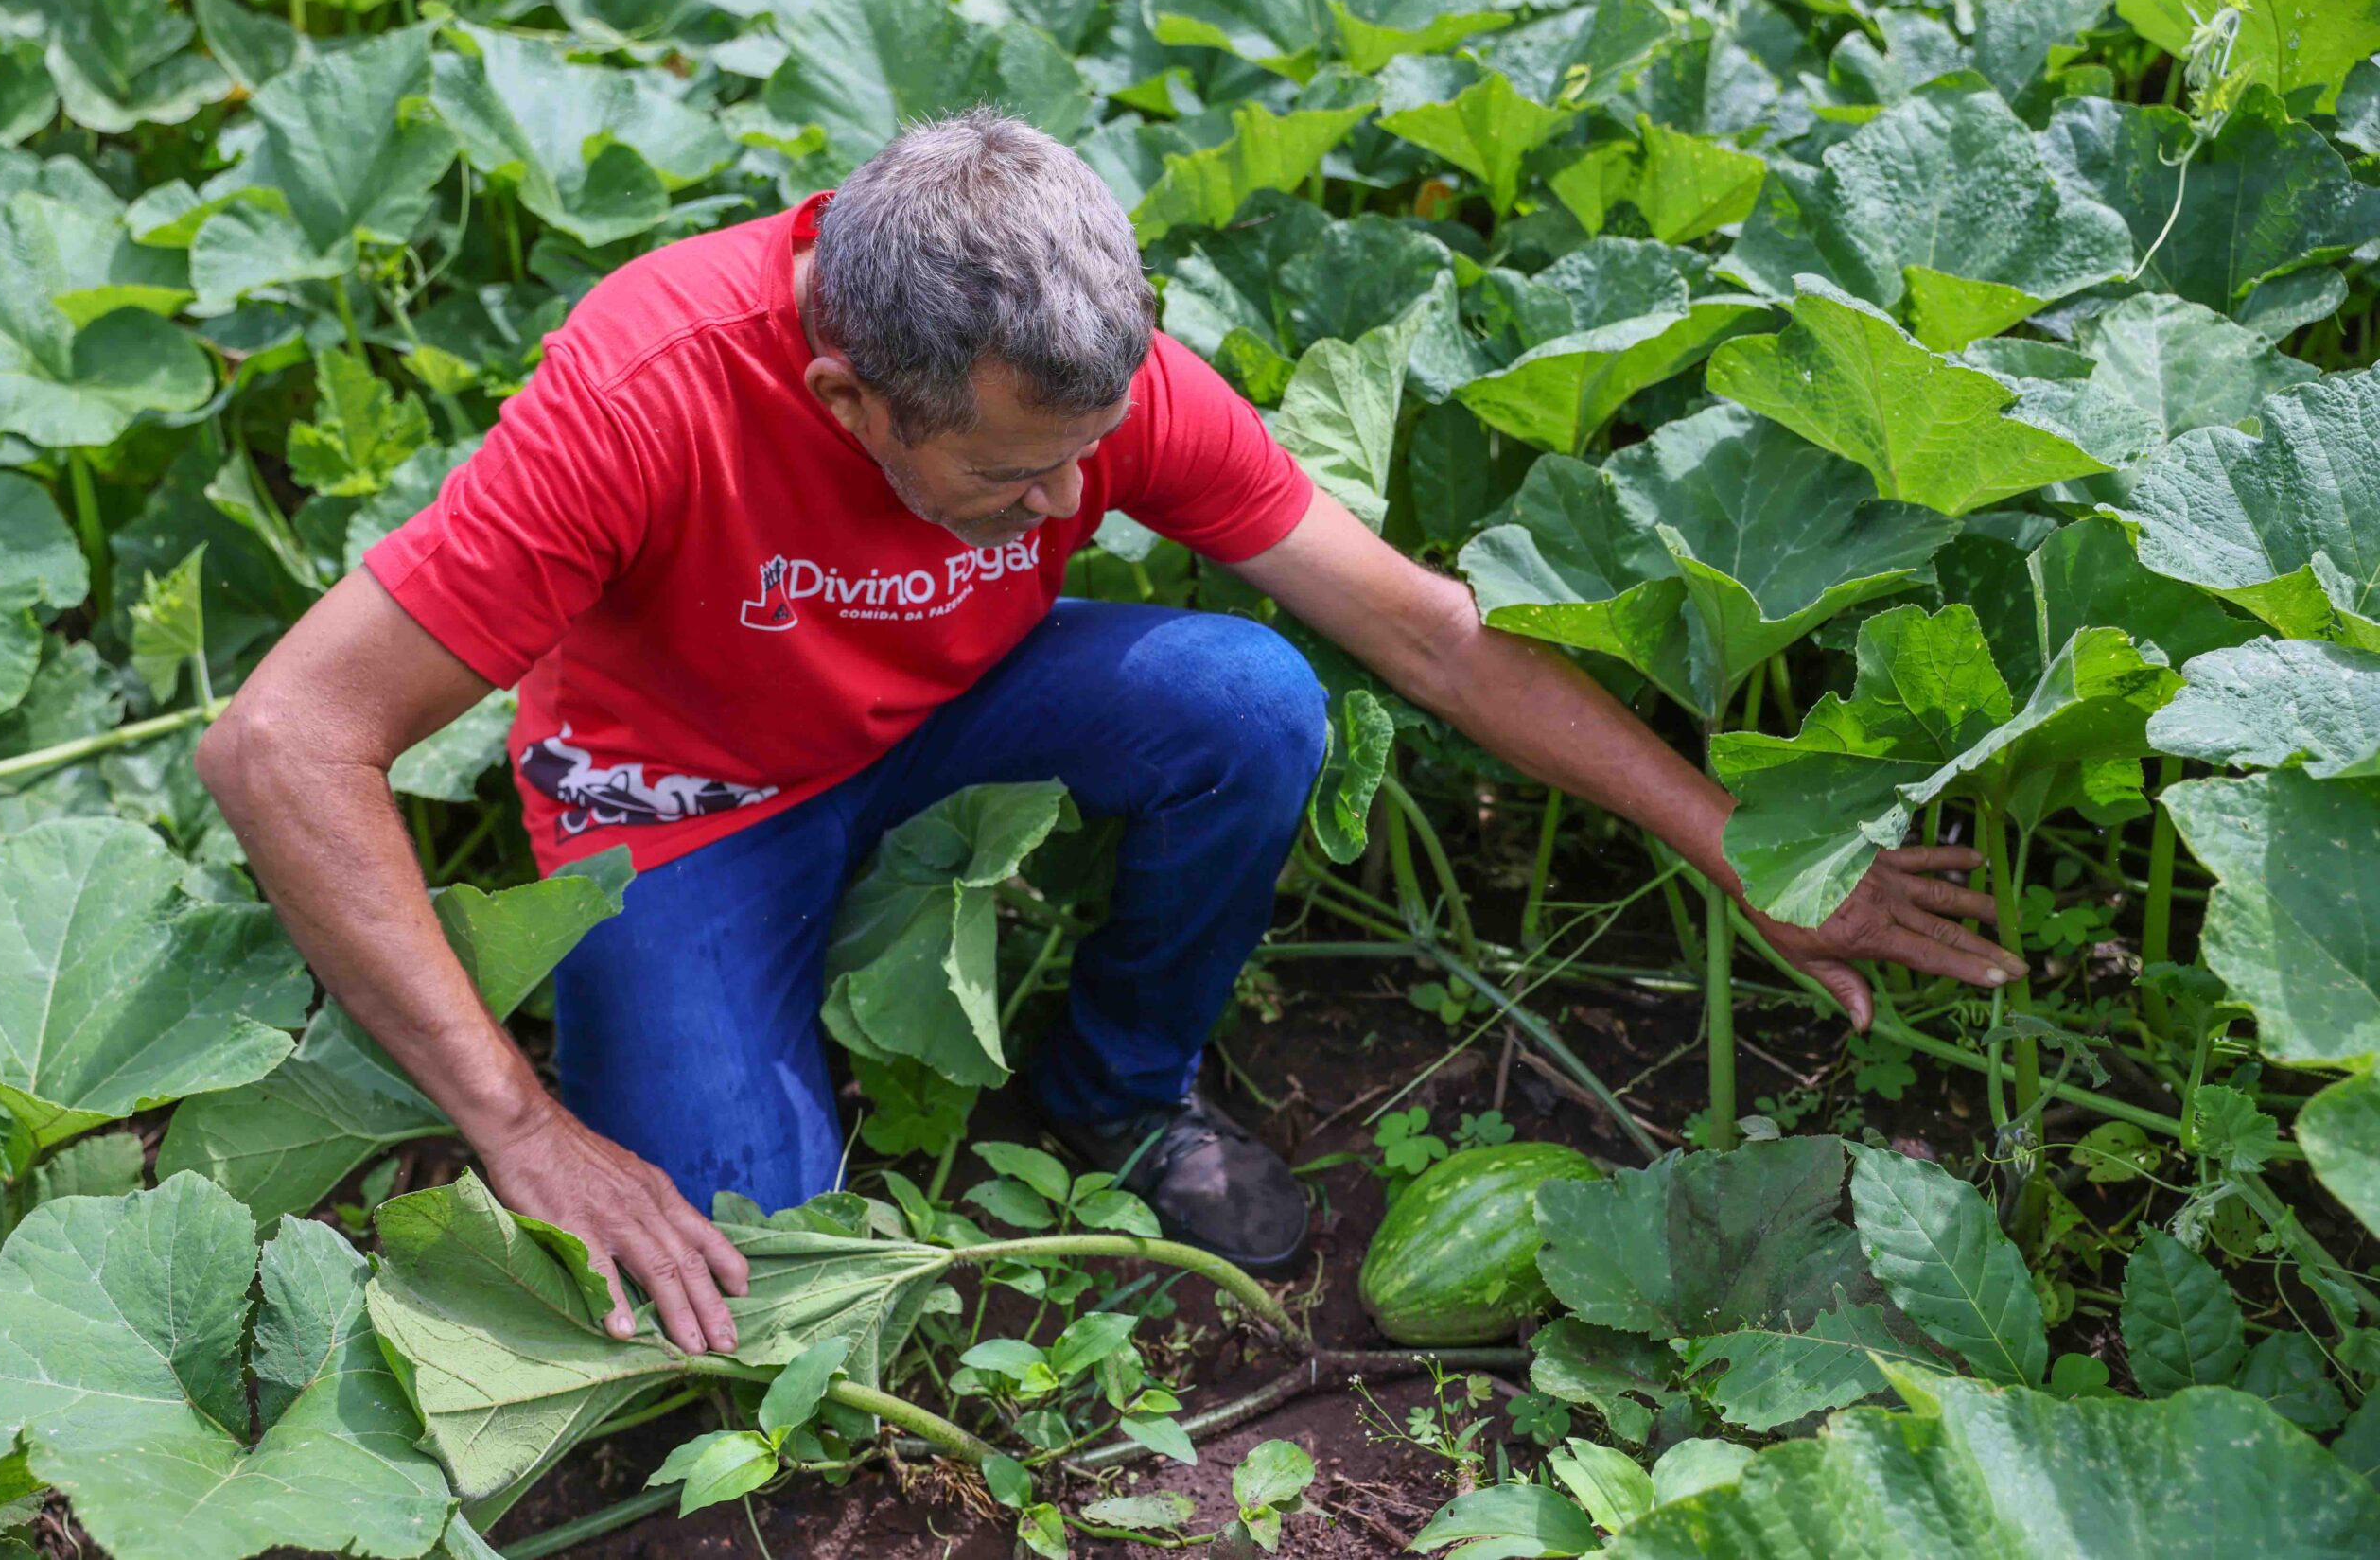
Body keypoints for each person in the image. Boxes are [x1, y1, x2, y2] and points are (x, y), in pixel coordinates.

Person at [198, 110, 2021, 1359]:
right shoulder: (647, 391)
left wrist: (1748, 849)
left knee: (1255, 698)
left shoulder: (1090, 382)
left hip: (948, 704)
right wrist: (518, 1128)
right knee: (746, 1271)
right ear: (848, 395)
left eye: (1089, 452)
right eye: (1013, 475)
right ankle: (731, 1031)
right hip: (688, 793)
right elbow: (280, 744)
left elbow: (1432, 639)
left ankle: (1117, 1093)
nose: (1073, 498)